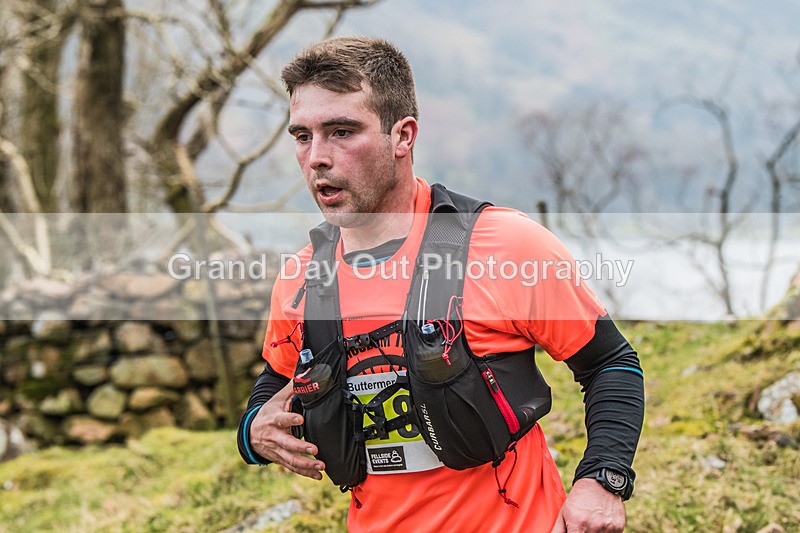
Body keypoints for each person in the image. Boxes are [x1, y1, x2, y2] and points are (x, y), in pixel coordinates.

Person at [237, 36, 644, 533]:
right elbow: (278, 380)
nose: (317, 157)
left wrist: (602, 480)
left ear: (402, 136)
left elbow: (609, 364)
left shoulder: (504, 246)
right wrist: (253, 431)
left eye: (342, 131)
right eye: (303, 136)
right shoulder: (303, 276)